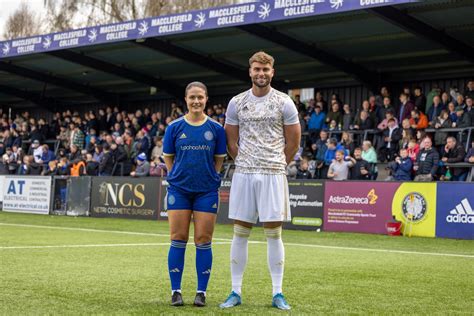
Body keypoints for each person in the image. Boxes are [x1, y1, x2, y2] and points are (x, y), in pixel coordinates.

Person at [221, 51, 300, 310]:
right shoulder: (237, 102)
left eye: (265, 70)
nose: (261, 74)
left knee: (274, 234)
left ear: (272, 72)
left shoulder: (284, 102)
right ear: (250, 71)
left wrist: (277, 163)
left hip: (273, 174)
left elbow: (293, 142)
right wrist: (244, 160)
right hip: (244, 173)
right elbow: (230, 140)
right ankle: (235, 291)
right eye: (257, 69)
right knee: (240, 233)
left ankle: (278, 292)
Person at [163, 81, 227, 307]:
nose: (196, 101)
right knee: (178, 238)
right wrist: (176, 175)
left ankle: (201, 292)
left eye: (200, 97)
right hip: (179, 190)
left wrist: (211, 176)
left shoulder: (217, 129)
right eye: (192, 97)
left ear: (206, 99)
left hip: (206, 191)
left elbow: (219, 159)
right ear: (186, 100)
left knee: (203, 239)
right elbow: (168, 157)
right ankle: (176, 291)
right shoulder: (174, 127)